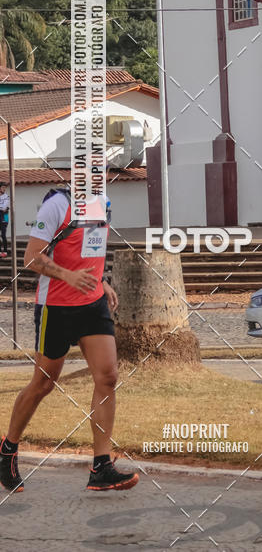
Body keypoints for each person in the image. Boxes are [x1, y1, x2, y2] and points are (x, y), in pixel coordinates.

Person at [0, 182, 138, 494]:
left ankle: (101, 466)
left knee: (108, 377)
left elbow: (89, 247)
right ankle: (7, 449)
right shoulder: (56, 205)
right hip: (56, 308)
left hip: (92, 304)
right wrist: (68, 276)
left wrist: (100, 280)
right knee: (43, 384)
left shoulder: (102, 200)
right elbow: (31, 258)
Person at [0, 183, 9, 258]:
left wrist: (3, 208)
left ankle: (5, 251)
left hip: (4, 217)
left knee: (3, 235)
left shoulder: (7, 197)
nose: (4, 189)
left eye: (5, 187)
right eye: (3, 187)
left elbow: (4, 208)